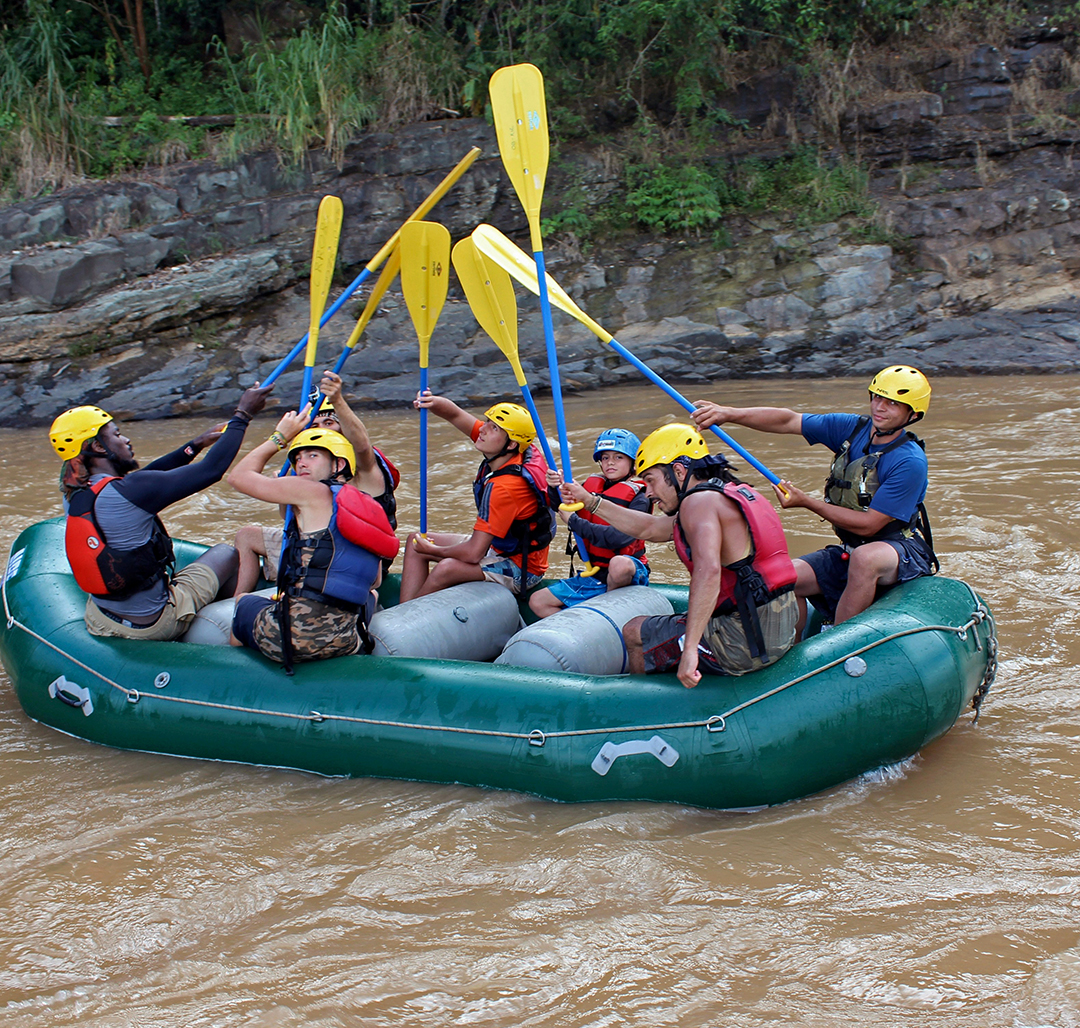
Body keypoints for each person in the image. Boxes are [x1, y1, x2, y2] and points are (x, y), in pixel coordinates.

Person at [691, 365, 937, 627]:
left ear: (912, 413)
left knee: (865, 559)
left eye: (893, 403)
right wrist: (728, 414)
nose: (880, 407)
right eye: (877, 397)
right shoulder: (853, 429)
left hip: (899, 550)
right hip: (850, 548)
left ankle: (838, 644)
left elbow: (870, 525)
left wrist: (807, 502)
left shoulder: (909, 461)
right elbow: (788, 420)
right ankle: (796, 656)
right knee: (785, 579)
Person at [560, 424, 798, 688]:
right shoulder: (734, 492)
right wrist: (591, 501)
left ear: (679, 471)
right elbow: (649, 527)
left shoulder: (698, 503)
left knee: (634, 631)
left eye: (650, 480)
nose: (647, 492)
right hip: (779, 629)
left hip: (742, 644)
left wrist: (691, 650)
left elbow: (708, 573)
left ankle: (639, 710)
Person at [50, 383, 271, 641]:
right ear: (99, 447)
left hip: (101, 617)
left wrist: (196, 444)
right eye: (117, 435)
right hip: (154, 624)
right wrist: (243, 415)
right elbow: (211, 470)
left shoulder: (76, 490)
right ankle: (224, 629)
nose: (125, 440)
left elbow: (151, 475)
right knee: (227, 554)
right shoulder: (130, 491)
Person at [228, 415, 398, 671]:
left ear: (338, 463)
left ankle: (238, 675)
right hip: (346, 639)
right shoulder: (371, 507)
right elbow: (374, 581)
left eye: (312, 456)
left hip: (295, 638)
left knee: (243, 603)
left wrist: (280, 438)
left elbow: (237, 477)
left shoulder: (309, 491)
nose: (301, 463)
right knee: (371, 595)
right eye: (297, 458)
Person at [232, 370, 399, 594]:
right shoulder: (307, 468)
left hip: (355, 562)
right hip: (313, 550)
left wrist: (337, 400)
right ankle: (237, 600)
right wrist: (285, 494)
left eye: (329, 423)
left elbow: (362, 445)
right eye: (314, 426)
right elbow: (291, 518)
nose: (321, 432)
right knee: (247, 535)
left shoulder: (363, 470)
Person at [399, 394, 554, 602]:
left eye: (494, 428)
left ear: (510, 444)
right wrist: (433, 403)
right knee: (415, 541)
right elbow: (454, 414)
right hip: (498, 548)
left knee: (447, 568)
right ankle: (404, 610)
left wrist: (434, 550)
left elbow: (473, 553)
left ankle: (408, 618)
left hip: (522, 569)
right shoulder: (509, 449)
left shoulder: (506, 486)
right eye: (488, 422)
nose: (482, 429)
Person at [529, 429, 651, 618]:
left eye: (619, 457)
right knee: (537, 602)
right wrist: (555, 488)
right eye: (605, 457)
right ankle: (580, 631)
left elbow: (618, 538)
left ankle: (610, 614)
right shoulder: (591, 486)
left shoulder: (640, 498)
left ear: (633, 463)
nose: (610, 462)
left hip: (630, 573)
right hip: (595, 573)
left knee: (620, 565)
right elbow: (562, 506)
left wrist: (575, 523)